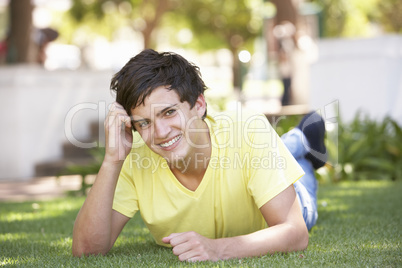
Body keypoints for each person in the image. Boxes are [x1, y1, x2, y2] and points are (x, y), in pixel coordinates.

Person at [72, 49, 327, 262]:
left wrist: (217, 248)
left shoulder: (248, 130)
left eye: (169, 112)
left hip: (285, 207)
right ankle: (294, 141)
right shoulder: (134, 157)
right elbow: (86, 251)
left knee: (300, 186)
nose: (160, 133)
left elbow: (295, 233)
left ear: (199, 104)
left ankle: (300, 139)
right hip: (260, 161)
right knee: (280, 155)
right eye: (144, 123)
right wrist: (112, 160)